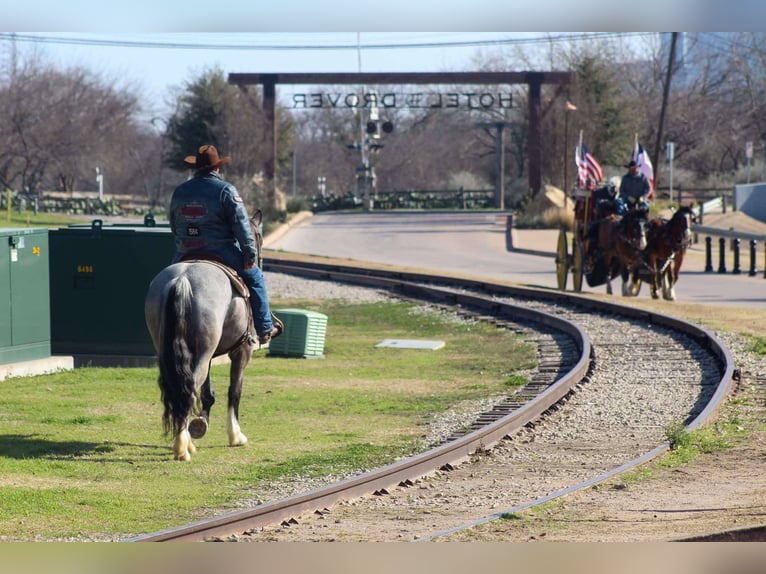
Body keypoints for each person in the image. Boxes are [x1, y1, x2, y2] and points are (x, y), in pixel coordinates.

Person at [168, 144, 282, 345]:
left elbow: (174, 225)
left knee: (167, 283)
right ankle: (264, 328)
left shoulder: (180, 191)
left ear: (196, 168)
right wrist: (249, 254)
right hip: (220, 250)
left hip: (185, 251)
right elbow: (241, 226)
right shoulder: (226, 191)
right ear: (217, 168)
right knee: (255, 278)